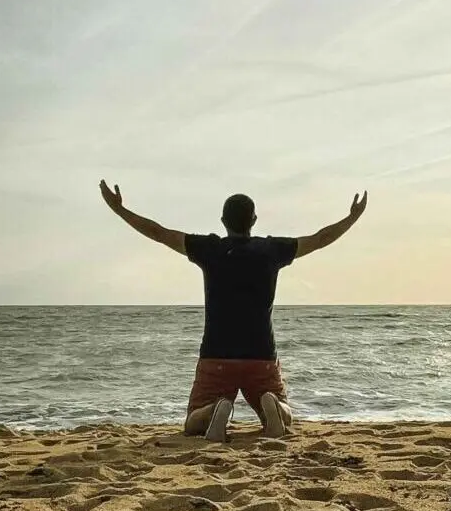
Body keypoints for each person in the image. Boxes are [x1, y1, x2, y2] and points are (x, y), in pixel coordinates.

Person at [99, 180, 368, 441]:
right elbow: (320, 238)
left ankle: (215, 411)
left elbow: (159, 233)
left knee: (193, 421)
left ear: (222, 221)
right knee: (283, 418)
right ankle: (271, 404)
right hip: (260, 356)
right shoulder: (271, 249)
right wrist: (352, 217)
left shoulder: (209, 248)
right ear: (253, 220)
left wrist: (119, 209)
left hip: (216, 356)